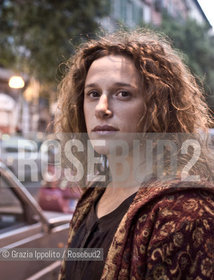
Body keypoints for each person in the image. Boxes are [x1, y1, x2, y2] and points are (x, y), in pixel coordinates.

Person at [57, 30, 214, 280]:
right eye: (93, 94)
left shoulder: (185, 211)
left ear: (156, 107)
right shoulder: (91, 198)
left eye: (123, 94)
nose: (102, 108)